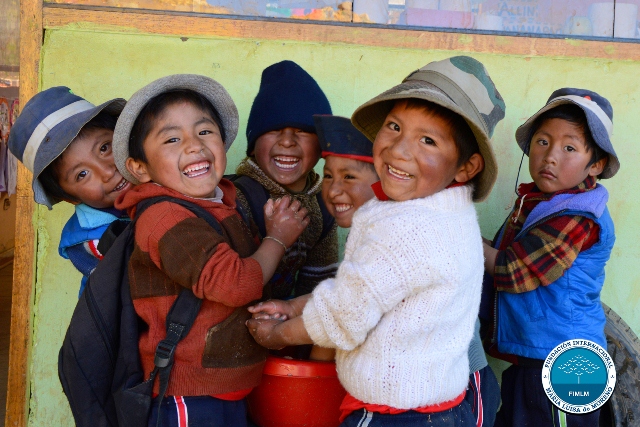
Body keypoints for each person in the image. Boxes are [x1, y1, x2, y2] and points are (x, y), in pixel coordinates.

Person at [247, 56, 506, 427]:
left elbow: (346, 315)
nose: (399, 149)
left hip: (400, 416)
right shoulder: (438, 210)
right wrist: (295, 308)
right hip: (431, 408)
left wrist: (278, 334)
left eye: (428, 140)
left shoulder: (411, 228)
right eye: (394, 127)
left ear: (466, 167)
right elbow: (361, 290)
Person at [111, 74, 309, 426]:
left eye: (204, 132)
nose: (193, 145)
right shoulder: (165, 217)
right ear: (140, 168)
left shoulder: (217, 205)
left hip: (222, 390)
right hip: (187, 395)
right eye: (172, 138)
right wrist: (277, 238)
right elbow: (236, 284)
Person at [481, 88, 619, 427]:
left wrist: (461, 236)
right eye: (542, 142)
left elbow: (513, 269)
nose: (550, 156)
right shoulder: (542, 203)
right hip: (537, 357)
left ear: (596, 165)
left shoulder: (576, 216)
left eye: (569, 148)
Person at [7, 86, 130, 296]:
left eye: (104, 148)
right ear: (68, 197)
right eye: (81, 174)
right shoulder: (93, 242)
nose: (107, 171)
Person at [232, 60, 338, 300]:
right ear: (252, 145)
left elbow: (318, 290)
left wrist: (291, 330)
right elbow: (227, 283)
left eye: (302, 131)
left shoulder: (323, 206)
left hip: (283, 325)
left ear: (322, 145)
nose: (288, 141)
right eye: (274, 129)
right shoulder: (236, 199)